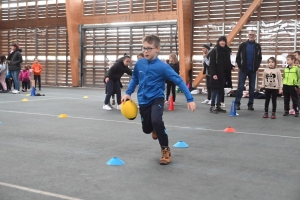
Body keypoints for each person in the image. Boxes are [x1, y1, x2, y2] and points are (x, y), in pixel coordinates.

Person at [121, 34, 196, 165]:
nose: (146, 51)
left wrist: (190, 99)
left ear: (158, 49)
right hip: (143, 100)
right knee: (146, 129)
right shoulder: (140, 64)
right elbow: (134, 79)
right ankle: (154, 129)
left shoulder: (163, 67)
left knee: (157, 120)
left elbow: (178, 80)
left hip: (157, 98)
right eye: (144, 48)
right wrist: (128, 93)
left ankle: (165, 151)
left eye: (149, 48)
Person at [235, 30, 262, 110]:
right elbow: (238, 57)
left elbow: (259, 58)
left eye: (253, 35)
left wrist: (256, 67)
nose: (251, 36)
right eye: (250, 34)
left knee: (252, 88)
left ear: (255, 36)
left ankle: (250, 104)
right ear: (248, 35)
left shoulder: (257, 46)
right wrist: (240, 66)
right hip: (243, 70)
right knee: (240, 87)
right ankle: (237, 103)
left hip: (253, 70)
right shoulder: (243, 45)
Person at [209, 36, 234, 114]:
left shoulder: (227, 51)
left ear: (225, 42)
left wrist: (231, 67)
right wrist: (214, 74)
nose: (222, 42)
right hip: (216, 73)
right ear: (218, 42)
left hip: (224, 74)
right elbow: (212, 64)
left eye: (223, 41)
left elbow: (227, 62)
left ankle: (218, 105)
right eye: (221, 41)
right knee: (215, 90)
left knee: (221, 90)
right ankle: (212, 106)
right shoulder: (214, 51)